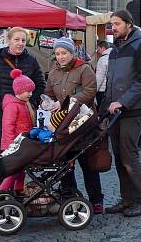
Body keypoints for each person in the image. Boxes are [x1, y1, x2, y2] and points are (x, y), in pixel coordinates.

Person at [0, 27, 46, 200]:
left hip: (23, 121)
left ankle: (16, 203)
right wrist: (3, 105)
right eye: (16, 39)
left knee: (20, 164)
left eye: (23, 40)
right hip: (1, 119)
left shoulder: (31, 61)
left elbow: (41, 85)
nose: (20, 43)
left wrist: (28, 103)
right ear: (8, 40)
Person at [103, 9, 141, 217]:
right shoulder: (115, 49)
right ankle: (127, 199)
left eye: (117, 24)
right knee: (118, 155)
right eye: (112, 24)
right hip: (115, 111)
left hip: (133, 110)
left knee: (129, 156)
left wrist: (122, 102)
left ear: (129, 24)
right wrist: (105, 105)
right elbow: (112, 82)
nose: (113, 28)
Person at [44, 37, 104, 213]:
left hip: (83, 124)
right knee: (65, 166)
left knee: (88, 165)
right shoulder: (53, 73)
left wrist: (67, 102)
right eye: (58, 53)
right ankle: (69, 197)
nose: (61, 56)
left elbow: (90, 92)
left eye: (64, 53)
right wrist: (46, 103)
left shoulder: (84, 69)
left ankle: (96, 200)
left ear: (71, 53)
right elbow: (49, 94)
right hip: (63, 126)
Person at [0, 69, 36, 192]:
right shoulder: (12, 106)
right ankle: (0, 194)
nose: (30, 94)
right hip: (13, 146)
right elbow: (8, 126)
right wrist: (11, 146)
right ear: (18, 91)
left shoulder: (23, 104)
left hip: (21, 144)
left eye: (31, 91)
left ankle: (19, 192)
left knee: (20, 172)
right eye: (27, 91)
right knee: (13, 173)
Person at [95, 40, 111, 109]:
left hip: (102, 90)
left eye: (98, 49)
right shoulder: (113, 56)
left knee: (101, 110)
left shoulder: (102, 59)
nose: (97, 51)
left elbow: (99, 78)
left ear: (103, 48)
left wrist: (94, 91)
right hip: (110, 89)